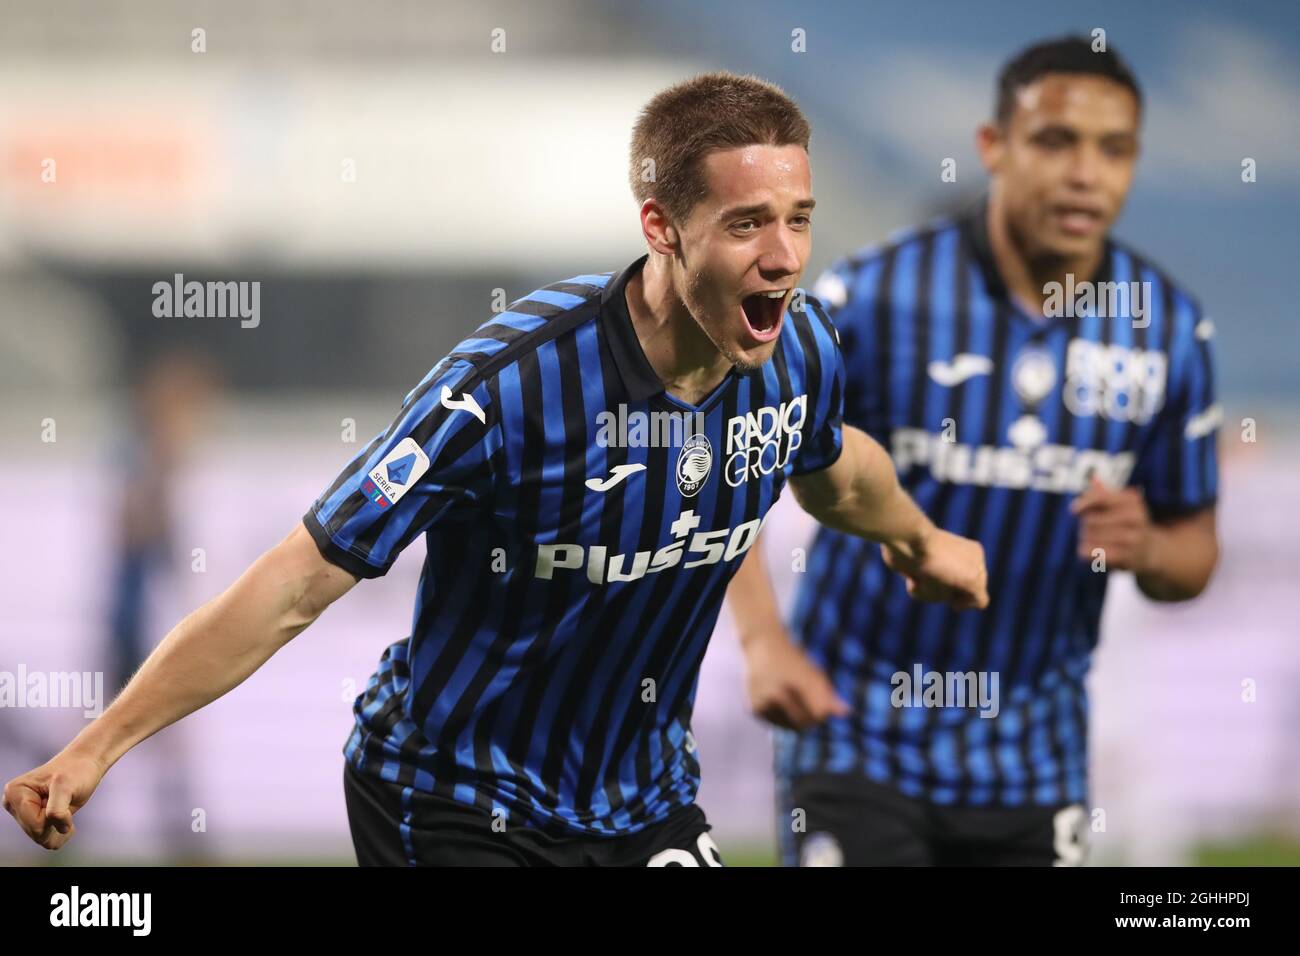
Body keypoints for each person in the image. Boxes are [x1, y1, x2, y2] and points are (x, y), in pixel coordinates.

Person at [5, 72, 986, 867]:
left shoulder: (798, 355)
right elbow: (298, 582)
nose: (783, 257)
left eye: (798, 219)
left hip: (640, 801)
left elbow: (835, 465)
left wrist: (918, 535)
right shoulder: (507, 389)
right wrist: (97, 744)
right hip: (453, 795)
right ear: (661, 227)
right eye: (745, 224)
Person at [727, 37, 1221, 867]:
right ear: (994, 147)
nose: (1085, 173)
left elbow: (1195, 556)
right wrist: (762, 643)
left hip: (1034, 762)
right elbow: (730, 455)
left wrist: (1150, 548)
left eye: (1114, 149)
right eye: (1056, 141)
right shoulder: (876, 297)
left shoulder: (1166, 329)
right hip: (858, 738)